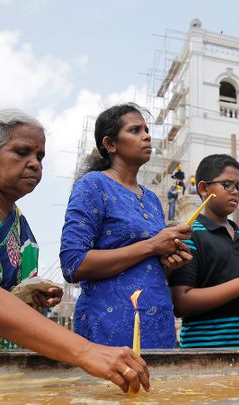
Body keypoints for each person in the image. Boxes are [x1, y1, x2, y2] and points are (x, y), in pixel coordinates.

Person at [0, 109, 149, 393]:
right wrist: (86, 351)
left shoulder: (18, 222)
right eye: (21, 152)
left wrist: (27, 293)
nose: (34, 164)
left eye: (39, 157)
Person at [60, 103, 192, 350]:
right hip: (109, 328)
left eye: (146, 129)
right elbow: (72, 264)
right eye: (135, 130)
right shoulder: (93, 185)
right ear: (110, 144)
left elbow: (146, 267)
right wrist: (152, 245)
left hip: (157, 323)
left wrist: (170, 264)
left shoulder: (152, 199)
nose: (146, 136)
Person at [169, 154, 239, 348]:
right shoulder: (190, 234)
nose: (235, 192)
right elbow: (180, 303)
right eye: (227, 184)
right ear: (203, 188)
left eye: (238, 186)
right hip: (205, 356)